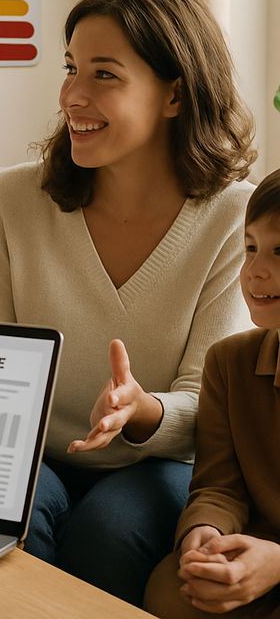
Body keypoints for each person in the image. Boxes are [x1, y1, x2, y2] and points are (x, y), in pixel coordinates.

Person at [0, 0, 256, 607]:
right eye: (70, 69)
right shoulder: (15, 201)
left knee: (107, 533)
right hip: (32, 453)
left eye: (104, 74)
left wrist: (140, 410)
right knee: (7, 510)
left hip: (161, 465)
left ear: (174, 95)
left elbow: (213, 404)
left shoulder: (235, 218)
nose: (72, 94)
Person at [144, 169, 280, 618]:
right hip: (250, 553)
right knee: (171, 587)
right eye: (251, 248)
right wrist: (203, 533)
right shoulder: (228, 363)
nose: (257, 270)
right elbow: (219, 486)